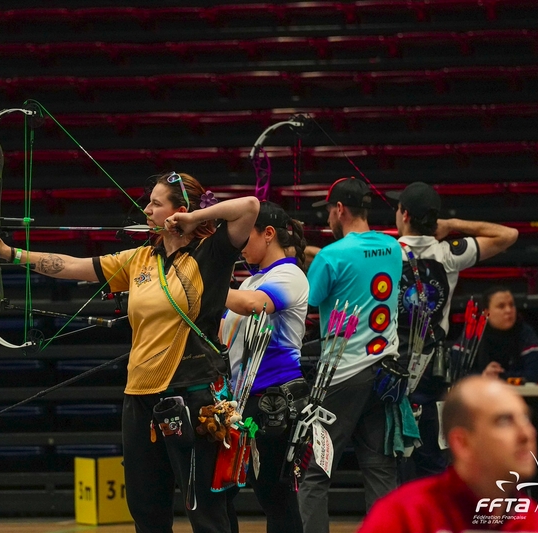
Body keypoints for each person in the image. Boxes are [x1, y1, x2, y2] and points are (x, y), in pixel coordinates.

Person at [0, 172, 260, 533]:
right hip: (139, 397)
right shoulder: (140, 259)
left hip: (192, 394)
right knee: (145, 509)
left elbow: (250, 206)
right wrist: (10, 253)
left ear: (179, 211)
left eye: (156, 204)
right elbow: (72, 266)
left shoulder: (212, 253)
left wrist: (195, 219)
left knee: (205, 511)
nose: (147, 210)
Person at [388, 181, 519, 479]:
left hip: (394, 364)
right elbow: (508, 235)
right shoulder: (448, 254)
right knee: (433, 459)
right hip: (432, 369)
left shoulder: (387, 253)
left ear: (405, 215)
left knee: (393, 459)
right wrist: (453, 224)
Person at [297, 177, 403, 533]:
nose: (328, 217)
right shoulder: (392, 248)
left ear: (340, 209)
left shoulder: (331, 256)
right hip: (385, 374)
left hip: (342, 375)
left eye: (329, 210)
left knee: (315, 471)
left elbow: (310, 300)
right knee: (380, 470)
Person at [357, 376, 538, 532]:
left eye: (525, 418)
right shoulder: (402, 516)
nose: (527, 434)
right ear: (462, 443)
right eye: (504, 421)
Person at [221, 201, 309, 533]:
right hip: (244, 401)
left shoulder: (289, 274)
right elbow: (223, 332)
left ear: (268, 233)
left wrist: (205, 283)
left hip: (275, 401)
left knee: (276, 497)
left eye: (246, 237)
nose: (240, 246)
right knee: (241, 494)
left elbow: (254, 306)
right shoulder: (250, 281)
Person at [477, 286, 538, 383]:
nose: (509, 310)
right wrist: (482, 376)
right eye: (501, 306)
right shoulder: (473, 334)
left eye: (511, 305)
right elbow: (458, 373)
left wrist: (500, 377)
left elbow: (536, 373)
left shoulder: (525, 333)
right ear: (486, 313)